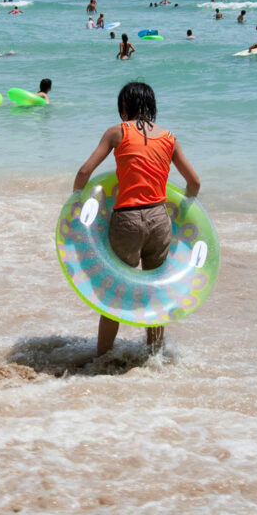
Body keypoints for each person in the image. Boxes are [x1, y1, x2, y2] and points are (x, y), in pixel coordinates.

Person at [72, 82, 201, 356]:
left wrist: (74, 205)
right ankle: (154, 357)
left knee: (115, 291)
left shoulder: (117, 132)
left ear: (123, 107)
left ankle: (103, 358)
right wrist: (183, 214)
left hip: (127, 220)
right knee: (155, 293)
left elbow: (84, 172)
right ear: (151, 107)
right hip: (159, 219)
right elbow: (194, 182)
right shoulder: (169, 138)